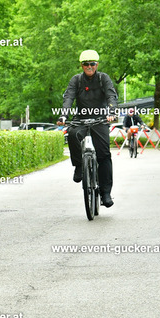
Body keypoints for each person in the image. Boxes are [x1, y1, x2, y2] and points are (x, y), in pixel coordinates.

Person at [57, 50, 118, 207]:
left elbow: (111, 96)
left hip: (100, 119)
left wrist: (111, 112)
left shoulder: (103, 78)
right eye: (86, 64)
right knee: (72, 134)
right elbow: (69, 97)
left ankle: (105, 193)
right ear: (81, 65)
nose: (89, 66)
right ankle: (79, 165)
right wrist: (63, 115)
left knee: (104, 155)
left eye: (92, 63)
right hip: (81, 118)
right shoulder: (76, 80)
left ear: (97, 64)